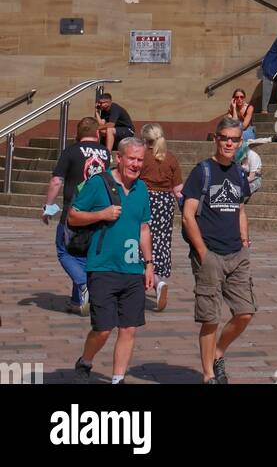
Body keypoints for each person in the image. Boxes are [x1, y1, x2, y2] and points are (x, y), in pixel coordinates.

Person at [67, 136, 153, 385]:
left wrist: (149, 264)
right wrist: (101, 214)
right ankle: (86, 359)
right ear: (119, 158)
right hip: (102, 267)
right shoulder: (98, 184)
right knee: (103, 328)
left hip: (133, 269)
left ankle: (118, 378)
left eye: (140, 160)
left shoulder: (142, 188)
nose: (136, 164)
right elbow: (73, 216)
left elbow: (144, 228)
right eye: (132, 159)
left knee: (129, 328)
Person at [181, 117, 256, 385]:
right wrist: (202, 252)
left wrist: (245, 242)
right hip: (209, 253)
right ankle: (208, 375)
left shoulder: (238, 172)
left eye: (234, 139)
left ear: (240, 142)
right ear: (216, 139)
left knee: (245, 312)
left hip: (237, 254)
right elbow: (188, 216)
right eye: (224, 137)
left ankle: (218, 353)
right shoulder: (202, 171)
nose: (228, 143)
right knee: (210, 318)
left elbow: (241, 208)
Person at [42, 116, 110, 316]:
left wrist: (48, 206)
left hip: (74, 212)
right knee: (82, 256)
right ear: (97, 133)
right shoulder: (106, 153)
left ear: (78, 134)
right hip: (98, 213)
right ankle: (77, 301)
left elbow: (56, 181)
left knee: (64, 252)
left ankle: (82, 284)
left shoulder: (70, 151)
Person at [139, 123, 183, 312]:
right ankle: (158, 280)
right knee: (161, 242)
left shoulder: (142, 156)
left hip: (144, 198)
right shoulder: (171, 157)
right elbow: (178, 190)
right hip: (165, 202)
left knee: (140, 241)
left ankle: (155, 283)